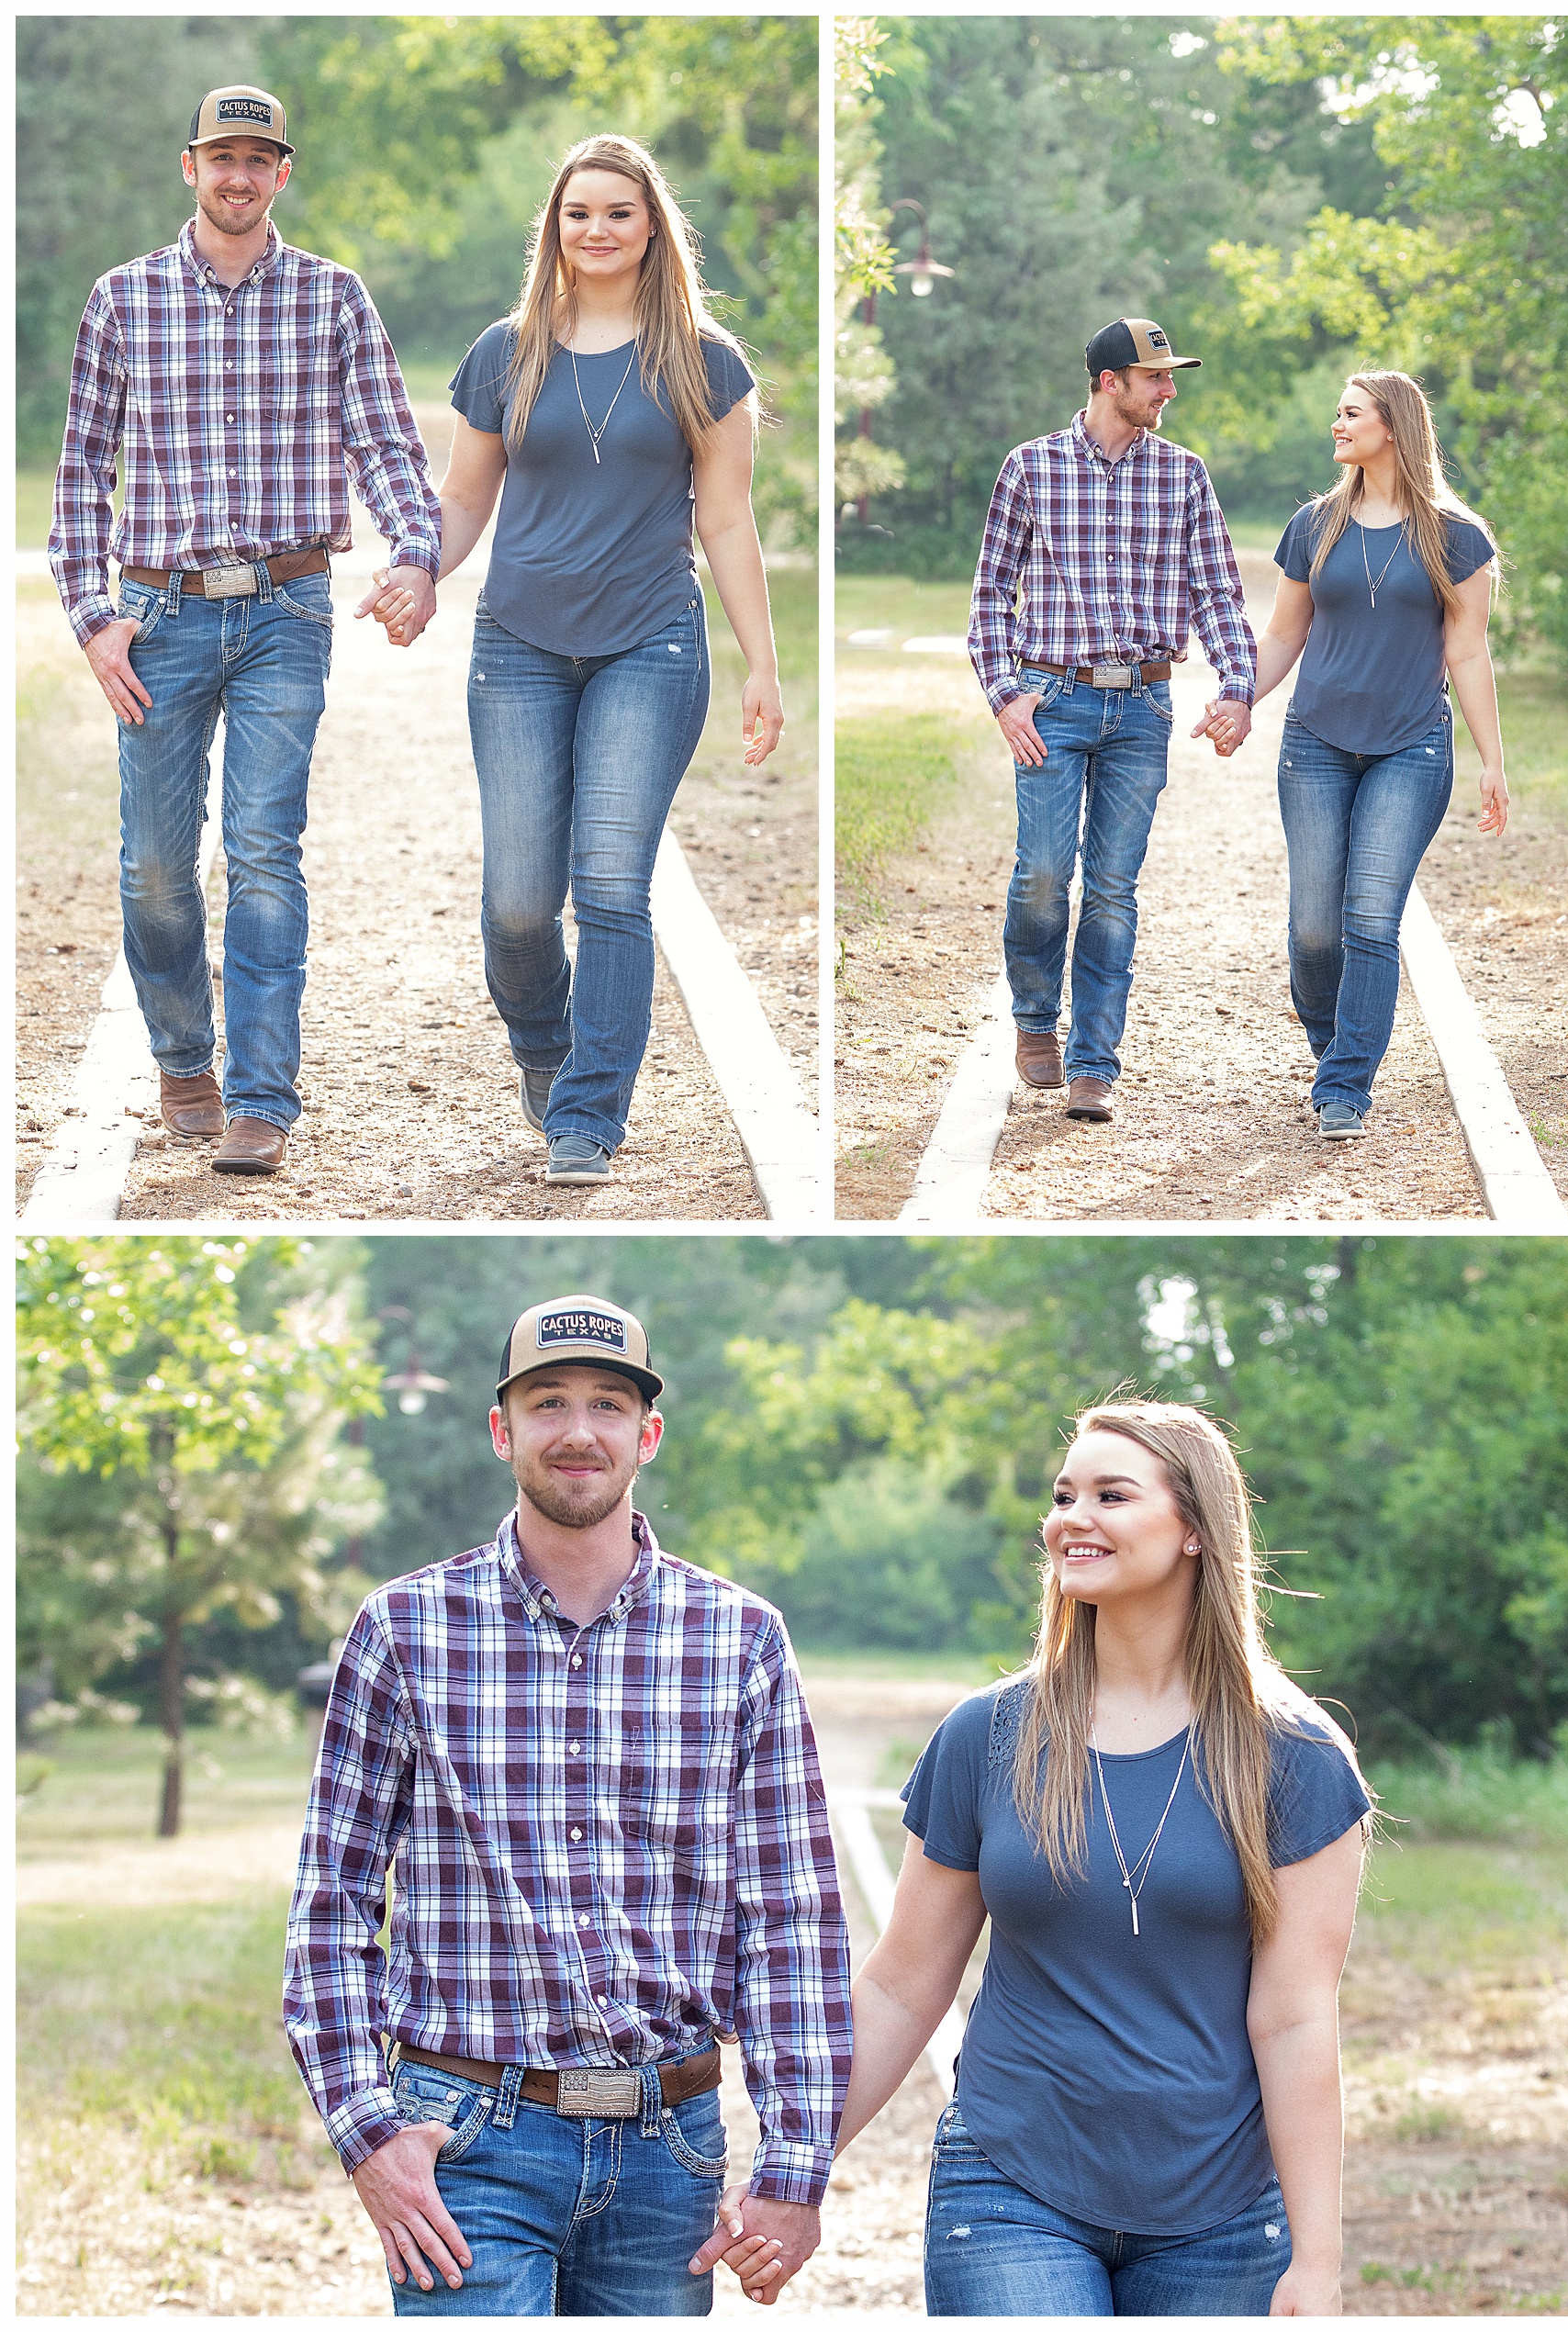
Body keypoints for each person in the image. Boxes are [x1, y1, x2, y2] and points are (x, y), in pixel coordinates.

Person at [712, 1396, 1372, 2315]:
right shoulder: (989, 1735)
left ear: (1193, 1530)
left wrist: (1319, 2257)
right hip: (1011, 2185)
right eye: (1065, 1495)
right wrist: (794, 2174)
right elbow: (903, 1983)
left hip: (1222, 2211)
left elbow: (1295, 2018)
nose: (1073, 1517)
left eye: (1111, 1493)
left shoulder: (1295, 1758)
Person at [283, 1294, 851, 2315]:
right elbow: (331, 1903)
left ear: (649, 1434)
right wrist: (368, 2131)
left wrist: (795, 2161)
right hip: (465, 2135)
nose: (578, 1430)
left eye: (607, 1403)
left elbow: (793, 1919)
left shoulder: (743, 1638)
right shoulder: (405, 1628)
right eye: (547, 1402)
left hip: (668, 2146)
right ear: (504, 1429)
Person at [364, 134, 785, 1187]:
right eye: (577, 213)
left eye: (618, 213)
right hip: (519, 643)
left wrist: (762, 665)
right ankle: (548, 1053)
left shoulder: (706, 361)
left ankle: (589, 1115)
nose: (595, 230)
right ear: (553, 227)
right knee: (516, 902)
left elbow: (728, 524)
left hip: (651, 637)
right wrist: (419, 571)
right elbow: (464, 498)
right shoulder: (505, 351)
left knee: (610, 887)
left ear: (653, 230)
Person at [48, 85, 442, 1177]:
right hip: (157, 612)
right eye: (220, 155)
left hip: (286, 606)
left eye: (257, 158)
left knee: (265, 851)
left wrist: (415, 550)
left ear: (283, 171)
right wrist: (93, 619)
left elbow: (388, 445)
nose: (237, 174)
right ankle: (184, 1059)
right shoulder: (121, 300)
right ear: (190, 167)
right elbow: (81, 470)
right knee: (157, 869)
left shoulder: (333, 297)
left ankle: (264, 1096)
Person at [1203, 370, 1508, 1140]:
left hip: (1411, 745)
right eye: (1337, 415)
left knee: (1370, 919)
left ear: (1393, 427)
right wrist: (1239, 698)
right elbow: (1282, 634)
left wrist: (1491, 761)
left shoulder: (1457, 538)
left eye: (1349, 414)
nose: (1335, 426)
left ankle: (1344, 1084)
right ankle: (1332, 1045)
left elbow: (1468, 654)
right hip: (1316, 743)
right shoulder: (1316, 525)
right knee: (1314, 928)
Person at [968, 320, 1258, 1125]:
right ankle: (1034, 1020)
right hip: (1049, 702)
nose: (1169, 390)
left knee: (1113, 891)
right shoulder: (1030, 468)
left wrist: (1238, 686)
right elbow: (992, 593)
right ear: (1108, 382)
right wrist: (1004, 692)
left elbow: (1220, 595)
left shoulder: (1185, 476)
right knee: (1044, 874)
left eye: (1170, 377)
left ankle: (1095, 1061)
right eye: (1155, 377)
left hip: (1143, 706)